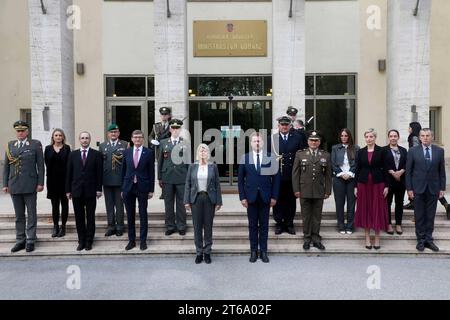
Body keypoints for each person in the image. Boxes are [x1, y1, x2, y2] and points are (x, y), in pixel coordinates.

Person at [3, 121, 45, 253]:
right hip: (14, 184)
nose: (20, 133)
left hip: (30, 185)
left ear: (27, 132)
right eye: (18, 131)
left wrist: (40, 183)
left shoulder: (35, 144)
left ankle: (31, 239)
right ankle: (20, 240)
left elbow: (40, 165)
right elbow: (6, 167)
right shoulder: (10, 145)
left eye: (22, 131)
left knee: (31, 214)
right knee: (19, 215)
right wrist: (5, 184)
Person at [238, 132, 280, 263]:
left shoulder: (271, 158)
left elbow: (276, 179)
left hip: (266, 197)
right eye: (254, 141)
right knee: (252, 225)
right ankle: (253, 251)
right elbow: (240, 180)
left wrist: (274, 196)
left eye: (259, 141)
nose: (257, 143)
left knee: (264, 226)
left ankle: (264, 251)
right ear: (251, 143)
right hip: (250, 198)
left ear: (263, 143)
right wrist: (242, 197)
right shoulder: (245, 158)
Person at [406, 128, 446, 252]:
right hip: (418, 188)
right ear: (419, 137)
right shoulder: (412, 151)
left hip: (433, 188)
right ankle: (421, 240)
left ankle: (429, 239)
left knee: (430, 215)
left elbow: (441, 171)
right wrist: (409, 188)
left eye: (428, 135)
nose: (425, 138)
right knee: (419, 215)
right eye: (422, 136)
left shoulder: (439, 151)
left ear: (432, 137)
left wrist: (442, 187)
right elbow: (409, 171)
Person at [292, 130, 332, 251]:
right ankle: (307, 238)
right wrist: (296, 190)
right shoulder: (300, 154)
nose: (313, 143)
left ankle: (316, 239)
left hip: (319, 190)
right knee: (306, 216)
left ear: (319, 142)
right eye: (311, 140)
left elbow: (328, 175)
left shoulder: (325, 155)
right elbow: (295, 174)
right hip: (304, 190)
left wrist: (328, 190)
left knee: (317, 216)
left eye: (316, 140)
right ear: (307, 141)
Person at [184, 144, 222, 264]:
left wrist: (218, 201)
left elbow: (217, 185)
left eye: (204, 150)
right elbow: (188, 184)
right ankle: (199, 252)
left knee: (208, 226)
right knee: (197, 226)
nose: (202, 152)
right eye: (200, 150)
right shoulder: (192, 166)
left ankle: (207, 252)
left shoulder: (213, 166)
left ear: (208, 153)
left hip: (209, 199)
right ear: (197, 153)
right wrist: (186, 201)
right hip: (196, 199)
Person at [66, 131, 103, 251]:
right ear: (79, 140)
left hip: (91, 190)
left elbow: (99, 173)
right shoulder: (73, 155)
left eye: (87, 138)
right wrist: (68, 190)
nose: (84, 140)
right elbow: (69, 174)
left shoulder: (96, 154)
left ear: (89, 140)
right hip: (76, 190)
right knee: (79, 217)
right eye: (82, 138)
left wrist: (99, 189)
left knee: (90, 217)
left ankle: (89, 240)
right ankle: (81, 240)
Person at [354, 128, 389, 250]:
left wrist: (387, 186)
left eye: (371, 137)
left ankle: (377, 238)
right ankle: (367, 238)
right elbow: (357, 169)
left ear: (375, 137)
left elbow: (385, 169)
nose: (369, 139)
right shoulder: (361, 152)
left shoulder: (382, 151)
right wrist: (355, 186)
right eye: (367, 137)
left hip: (378, 184)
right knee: (366, 209)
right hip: (363, 184)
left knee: (377, 209)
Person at [122, 130, 155, 251]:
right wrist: (122, 188)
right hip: (128, 187)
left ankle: (143, 241)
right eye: (135, 137)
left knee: (142, 214)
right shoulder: (126, 152)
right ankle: (131, 241)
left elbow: (151, 172)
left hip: (143, 187)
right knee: (130, 215)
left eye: (140, 137)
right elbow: (123, 171)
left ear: (143, 139)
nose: (137, 139)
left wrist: (151, 189)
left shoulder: (149, 153)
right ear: (131, 139)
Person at [271, 116, 305, 235]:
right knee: (278, 199)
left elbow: (302, 155)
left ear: (290, 126)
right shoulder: (273, 138)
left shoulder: (297, 138)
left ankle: (289, 223)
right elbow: (269, 156)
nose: (284, 127)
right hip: (277, 174)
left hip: (292, 174)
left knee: (291, 200)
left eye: (286, 125)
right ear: (278, 126)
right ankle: (279, 223)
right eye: (282, 125)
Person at [158, 119, 189, 236]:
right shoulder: (163, 143)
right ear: (170, 129)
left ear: (180, 130)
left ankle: (181, 226)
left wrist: (188, 177)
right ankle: (170, 226)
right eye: (173, 128)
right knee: (168, 203)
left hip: (182, 177)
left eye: (178, 128)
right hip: (167, 177)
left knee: (181, 203)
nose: (175, 130)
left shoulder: (185, 143)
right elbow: (160, 161)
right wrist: (159, 177)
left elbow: (188, 162)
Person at [99, 124, 128, 237]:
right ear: (108, 134)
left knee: (120, 205)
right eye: (111, 132)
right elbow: (100, 165)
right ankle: (111, 226)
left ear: (119, 133)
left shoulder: (125, 144)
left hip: (120, 180)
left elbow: (127, 164)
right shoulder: (102, 146)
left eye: (115, 132)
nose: (113, 134)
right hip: (107, 180)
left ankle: (120, 226)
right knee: (109, 204)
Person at [331, 128, 359, 234]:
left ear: (349, 137)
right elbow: (333, 163)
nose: (344, 138)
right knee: (339, 203)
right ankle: (341, 225)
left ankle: (350, 226)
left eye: (346, 136)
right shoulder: (335, 148)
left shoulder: (356, 148)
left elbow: (357, 163)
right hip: (339, 178)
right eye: (342, 136)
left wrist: (350, 173)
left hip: (352, 178)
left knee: (351, 203)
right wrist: (342, 174)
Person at [44, 128, 71, 238]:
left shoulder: (67, 148)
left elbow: (69, 165)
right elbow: (46, 163)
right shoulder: (48, 148)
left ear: (63, 137)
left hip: (64, 181)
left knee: (65, 205)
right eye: (56, 135)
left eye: (60, 135)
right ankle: (55, 226)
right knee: (54, 205)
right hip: (52, 180)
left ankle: (63, 226)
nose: (58, 137)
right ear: (53, 137)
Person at [382, 130, 407, 235]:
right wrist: (392, 172)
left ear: (398, 137)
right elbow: (382, 164)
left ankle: (398, 224)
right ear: (388, 138)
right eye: (391, 136)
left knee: (399, 203)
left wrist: (401, 171)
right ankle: (388, 224)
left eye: (395, 136)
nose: (393, 138)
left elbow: (408, 163)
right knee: (387, 203)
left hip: (401, 181)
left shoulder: (404, 150)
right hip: (388, 181)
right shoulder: (383, 150)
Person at [403, 122, 421, 210]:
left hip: (416, 164)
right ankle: (412, 202)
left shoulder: (414, 137)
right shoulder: (415, 137)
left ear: (413, 128)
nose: (408, 129)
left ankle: (413, 202)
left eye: (409, 127)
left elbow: (416, 150)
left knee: (409, 181)